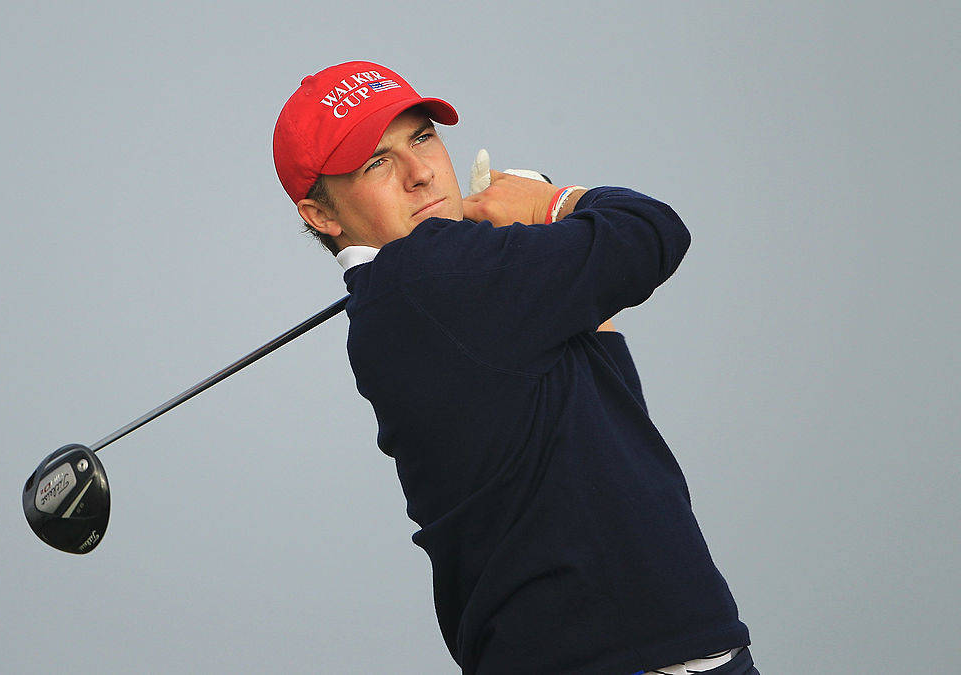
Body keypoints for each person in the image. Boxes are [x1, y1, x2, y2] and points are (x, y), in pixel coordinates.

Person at [273, 61, 756, 674]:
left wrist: (532, 241)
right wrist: (551, 204)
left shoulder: (417, 296)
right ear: (321, 215)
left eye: (422, 138)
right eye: (376, 164)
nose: (421, 173)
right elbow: (652, 232)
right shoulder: (432, 275)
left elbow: (609, 388)